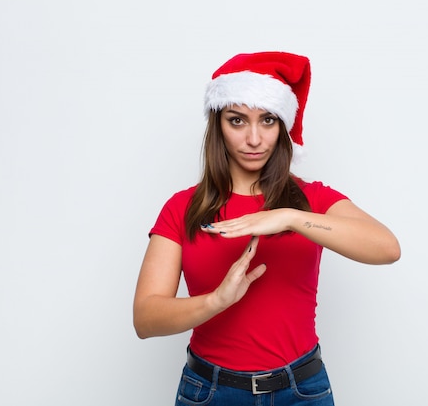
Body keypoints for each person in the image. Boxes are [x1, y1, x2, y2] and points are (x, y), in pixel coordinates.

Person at [133, 51, 401, 405]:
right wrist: (215, 301)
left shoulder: (313, 199)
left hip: (302, 391)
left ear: (282, 126)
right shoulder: (182, 207)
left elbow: (387, 248)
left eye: (268, 120)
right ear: (218, 124)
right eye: (238, 120)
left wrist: (289, 216)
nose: (255, 139)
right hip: (210, 392)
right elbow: (145, 319)